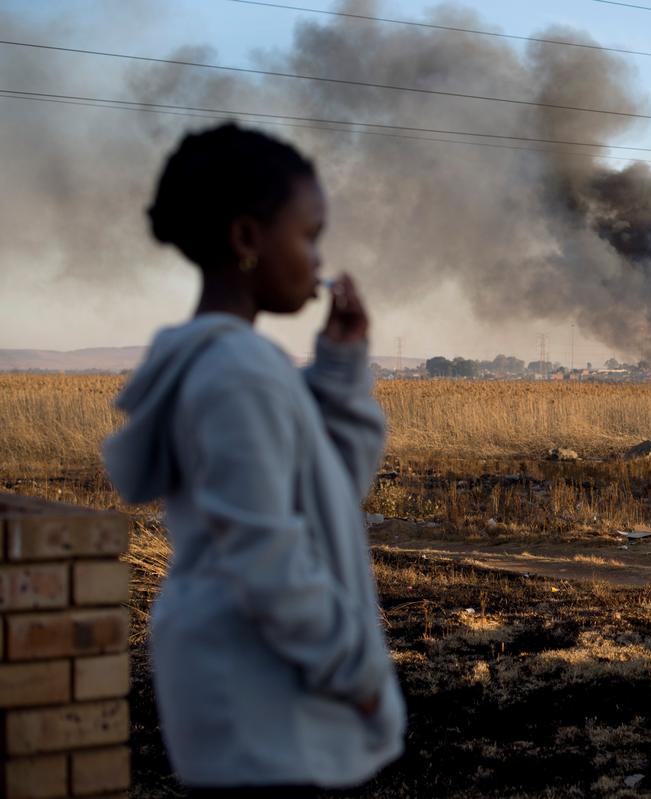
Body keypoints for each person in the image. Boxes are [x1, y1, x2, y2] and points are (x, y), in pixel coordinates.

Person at [103, 123, 404, 796]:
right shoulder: (237, 373)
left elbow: (328, 491)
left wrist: (340, 368)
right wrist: (356, 669)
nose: (320, 263)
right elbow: (268, 556)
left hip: (254, 691)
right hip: (262, 701)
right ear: (246, 239)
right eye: (308, 235)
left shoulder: (238, 365)